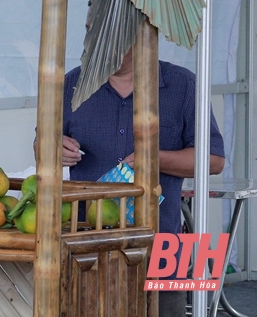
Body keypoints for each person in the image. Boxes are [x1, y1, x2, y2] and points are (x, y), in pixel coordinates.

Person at [60, 49, 225, 317]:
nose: (97, 44)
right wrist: (55, 147)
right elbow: (42, 143)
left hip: (162, 242)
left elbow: (213, 161)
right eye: (92, 31)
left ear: (138, 35)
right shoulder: (71, 83)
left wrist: (154, 158)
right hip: (85, 245)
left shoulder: (183, 85)